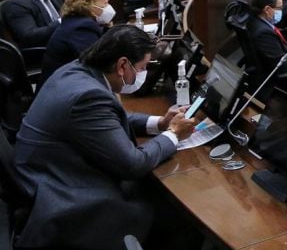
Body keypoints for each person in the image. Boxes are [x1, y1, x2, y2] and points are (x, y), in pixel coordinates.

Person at [14, 25, 197, 249]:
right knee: (180, 214)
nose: (143, 74)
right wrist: (173, 134)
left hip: (47, 171)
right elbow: (132, 164)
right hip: (68, 196)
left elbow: (105, 121)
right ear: (122, 65)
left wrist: (158, 123)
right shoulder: (88, 96)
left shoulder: (76, 70)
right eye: (142, 67)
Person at [41, 0, 114, 83]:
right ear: (89, 6)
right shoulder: (81, 28)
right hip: (63, 88)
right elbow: (97, 63)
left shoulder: (76, 21)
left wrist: (106, 29)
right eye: (105, 3)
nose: (108, 7)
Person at [246, 0, 287, 81]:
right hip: (283, 78)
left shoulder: (258, 21)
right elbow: (282, 66)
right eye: (279, 8)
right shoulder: (263, 33)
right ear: (267, 9)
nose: (281, 11)